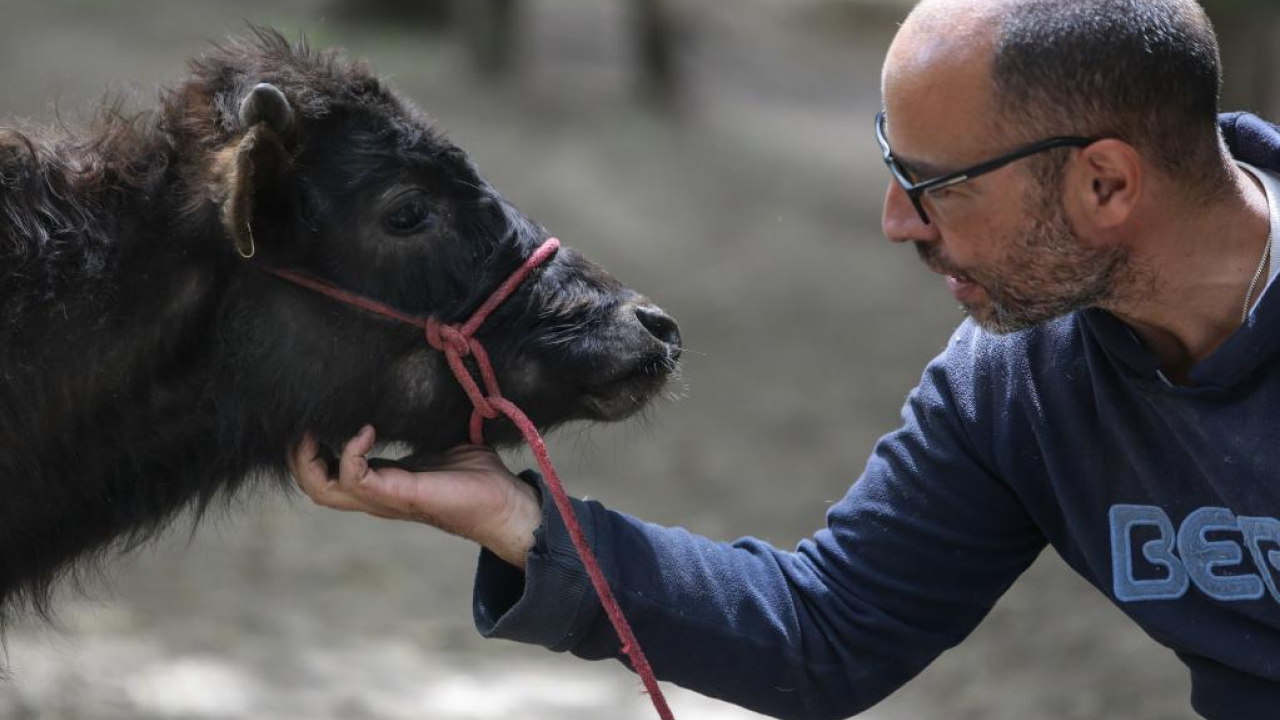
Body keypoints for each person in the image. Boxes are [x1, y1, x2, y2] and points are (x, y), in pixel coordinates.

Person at [287, 0, 1280, 717]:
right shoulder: (1015, 388)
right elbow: (822, 631)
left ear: (1105, 185)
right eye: (891, 168)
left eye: (933, 185)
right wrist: (520, 521)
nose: (894, 223)